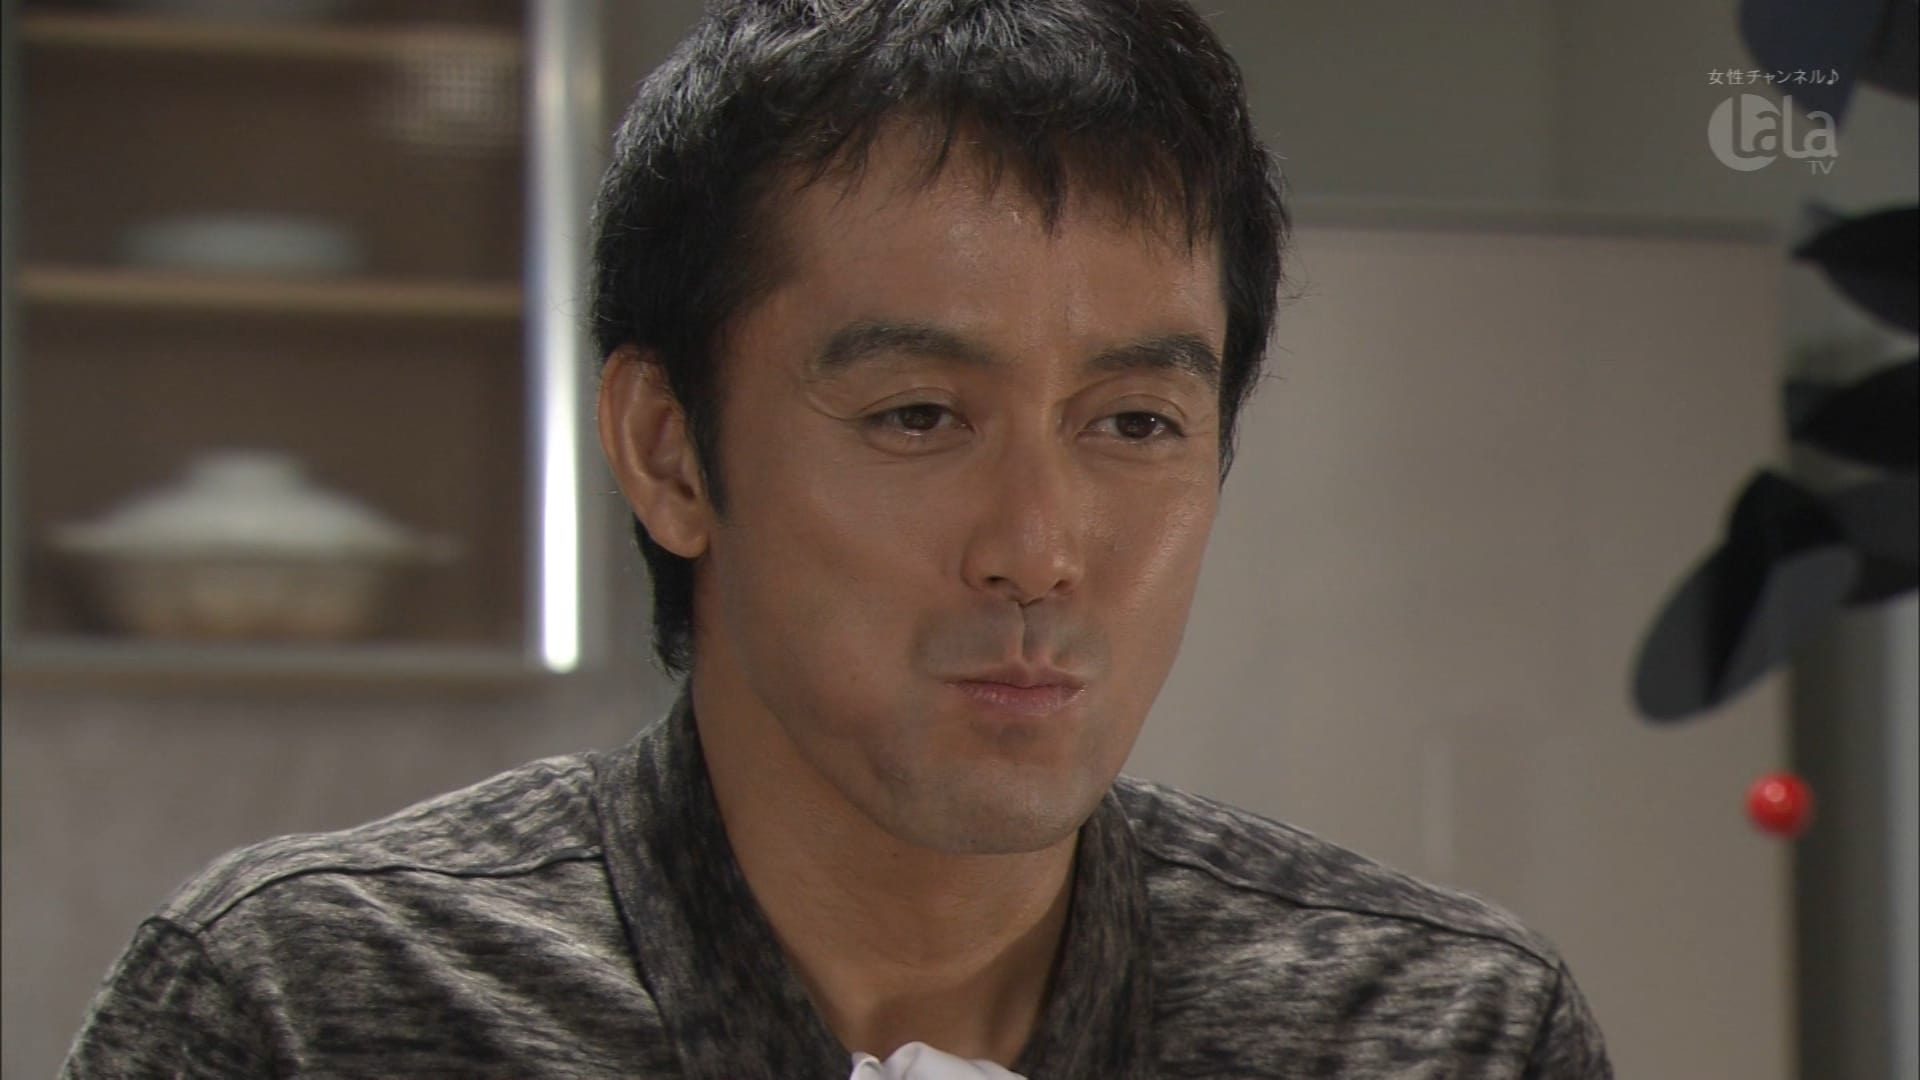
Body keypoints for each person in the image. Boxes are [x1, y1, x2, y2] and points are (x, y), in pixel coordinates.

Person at [62, 1, 1613, 1077]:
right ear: (669, 452)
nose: (1038, 549)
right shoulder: (307, 1007)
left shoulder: (1438, 1034)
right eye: (919, 416)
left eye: (1135, 423)